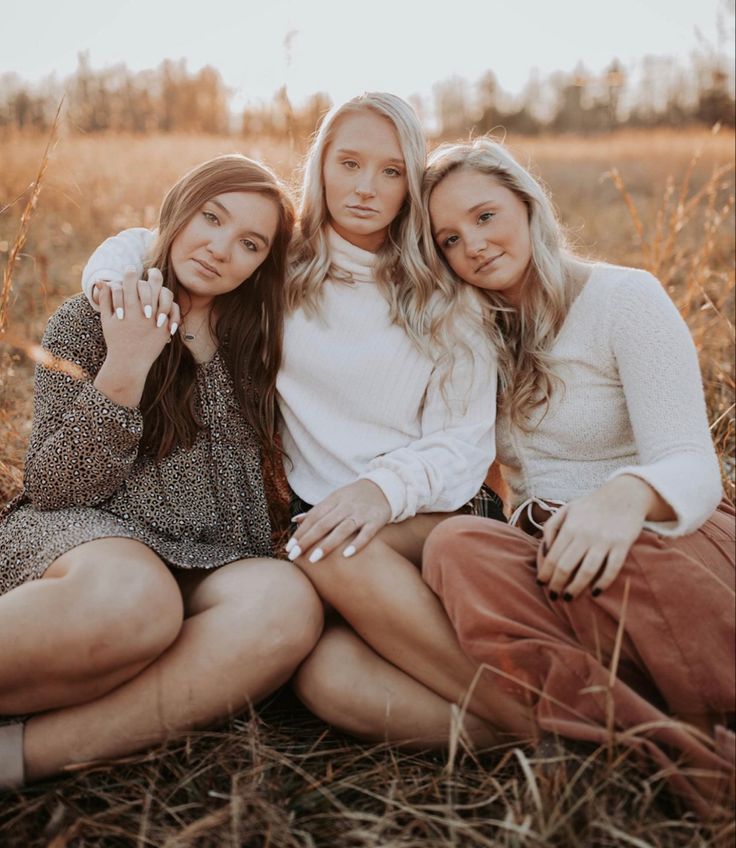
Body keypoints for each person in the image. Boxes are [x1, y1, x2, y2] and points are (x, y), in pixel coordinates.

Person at [75, 94, 518, 749]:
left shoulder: (445, 294)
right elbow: (152, 241)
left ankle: (556, 718)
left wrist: (379, 491)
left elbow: (461, 445)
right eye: (349, 163)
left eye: (391, 172)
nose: (366, 188)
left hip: (431, 513)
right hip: (317, 528)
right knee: (324, 679)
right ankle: (528, 738)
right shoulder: (281, 268)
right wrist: (112, 281)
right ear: (321, 166)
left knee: (325, 549)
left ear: (412, 183)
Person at [419, 136, 734, 814]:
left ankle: (693, 729)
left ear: (528, 205)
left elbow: (692, 462)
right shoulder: (471, 333)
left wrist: (622, 498)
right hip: (550, 559)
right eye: (448, 239)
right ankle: (653, 740)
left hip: (658, 541)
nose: (472, 245)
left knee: (629, 566)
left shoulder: (625, 297)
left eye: (485, 216)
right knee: (453, 549)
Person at [0, 155, 323, 790]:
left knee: (285, 605)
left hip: (209, 559)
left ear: (264, 264)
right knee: (136, 602)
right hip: (88, 536)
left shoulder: (265, 344)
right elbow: (53, 487)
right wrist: (127, 363)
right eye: (212, 217)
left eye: (249, 243)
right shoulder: (92, 317)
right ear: (179, 211)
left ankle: (22, 755)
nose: (219, 248)